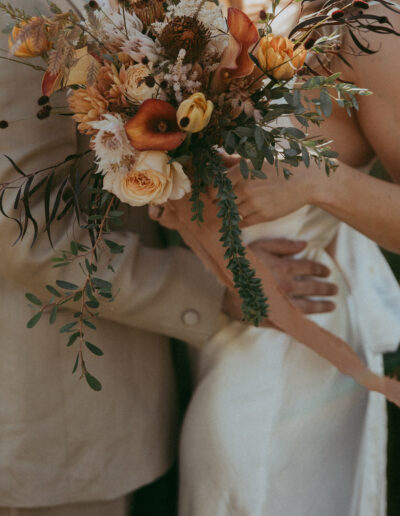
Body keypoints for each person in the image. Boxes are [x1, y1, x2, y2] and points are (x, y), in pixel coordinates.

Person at [0, 1, 335, 514]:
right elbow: (24, 231)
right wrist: (213, 285)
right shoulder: (19, 13)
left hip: (157, 379)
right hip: (58, 426)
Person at [151, 1, 400, 515]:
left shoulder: (370, 31)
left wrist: (319, 180)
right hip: (213, 335)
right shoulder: (207, 14)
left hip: (299, 351)